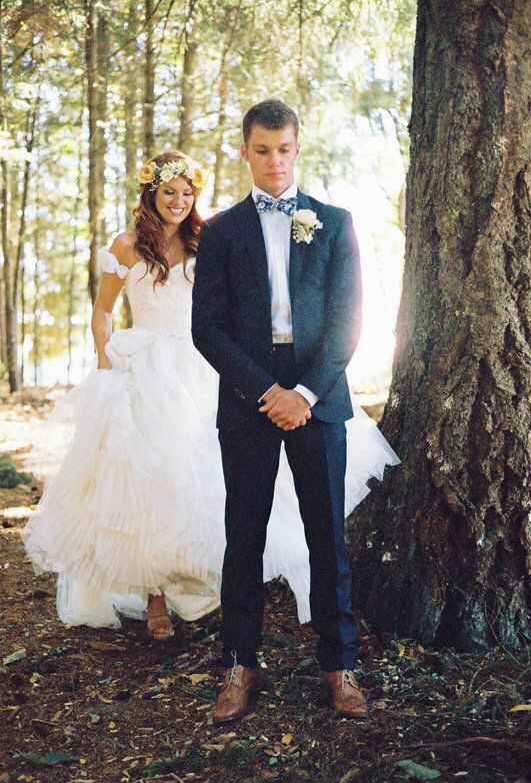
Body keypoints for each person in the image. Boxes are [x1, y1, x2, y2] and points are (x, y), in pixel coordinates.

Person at [24, 145, 398, 655]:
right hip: (150, 366)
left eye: (186, 193)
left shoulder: (211, 238)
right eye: (169, 192)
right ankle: (154, 594)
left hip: (211, 365)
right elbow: (102, 314)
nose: (178, 201)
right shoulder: (128, 245)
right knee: (145, 478)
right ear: (150, 193)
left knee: (204, 481)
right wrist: (107, 363)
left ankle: (201, 583)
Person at [192, 99, 399, 723]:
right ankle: (239, 664)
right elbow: (209, 329)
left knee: (326, 537)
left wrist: (303, 394)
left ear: (297, 148)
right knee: (244, 534)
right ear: (244, 151)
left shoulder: (334, 223)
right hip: (249, 402)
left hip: (321, 401)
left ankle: (340, 665)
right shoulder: (222, 231)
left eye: (283, 149)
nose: (274, 161)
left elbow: (347, 323)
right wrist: (267, 393)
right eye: (262, 150)